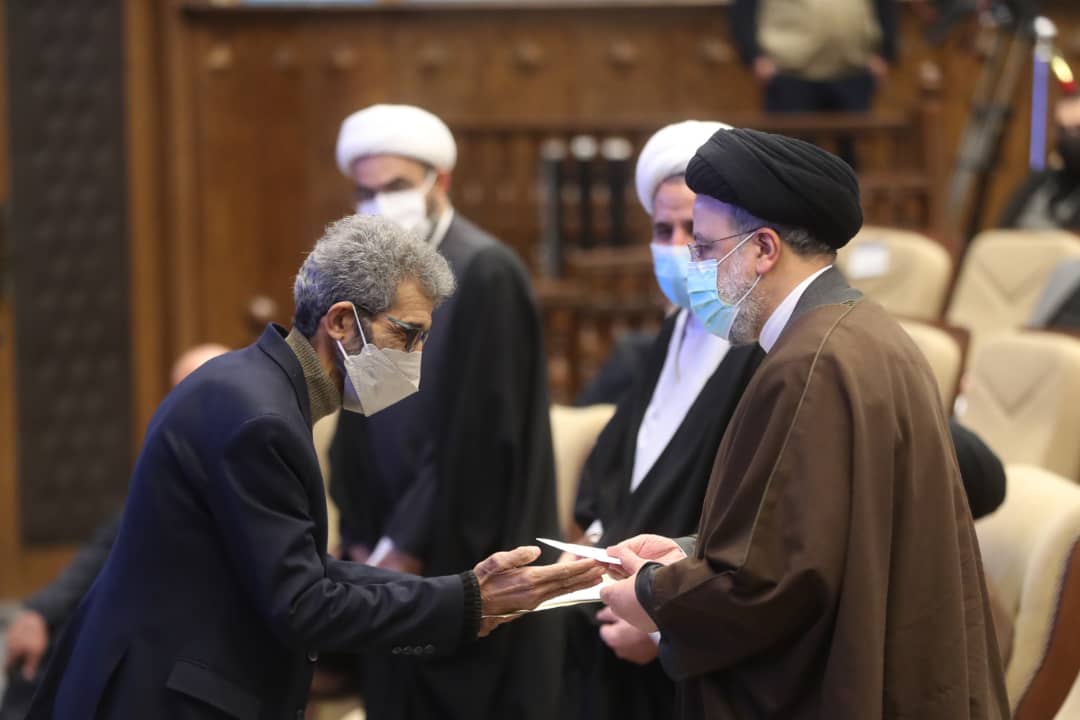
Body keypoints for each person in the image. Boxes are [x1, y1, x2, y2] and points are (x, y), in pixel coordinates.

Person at [24, 215, 603, 719]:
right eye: (408, 335)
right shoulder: (259, 418)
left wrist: (460, 593)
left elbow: (302, 567)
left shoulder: (257, 389)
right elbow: (302, 603)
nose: (417, 358)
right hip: (162, 698)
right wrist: (465, 603)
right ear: (342, 322)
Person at [600, 128, 1009, 718]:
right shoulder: (861, 330)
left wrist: (650, 593)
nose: (695, 267)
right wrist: (689, 553)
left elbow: (772, 583)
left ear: (764, 249)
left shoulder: (808, 365)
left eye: (705, 248)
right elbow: (812, 533)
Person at [330, 105, 563, 719]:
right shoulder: (365, 273)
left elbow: (480, 439)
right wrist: (363, 540)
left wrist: (407, 545)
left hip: (456, 554)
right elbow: (357, 416)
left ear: (441, 182)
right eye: (365, 192)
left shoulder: (485, 271)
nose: (380, 203)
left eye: (396, 185)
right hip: (386, 560)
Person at [562, 121, 764, 720]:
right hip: (621, 613)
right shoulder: (674, 327)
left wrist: (661, 627)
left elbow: (750, 523)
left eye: (693, 233)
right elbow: (617, 467)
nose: (676, 247)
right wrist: (592, 548)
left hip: (693, 644)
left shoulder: (761, 345)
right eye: (662, 229)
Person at [0, 344, 229, 720]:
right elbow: (105, 547)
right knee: (48, 661)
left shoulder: (251, 465)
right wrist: (40, 613)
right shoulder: (172, 464)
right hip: (145, 631)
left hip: (204, 651)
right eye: (178, 395)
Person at [732, 0, 897, 166]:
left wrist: (886, 54)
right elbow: (744, 8)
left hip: (854, 67)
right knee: (792, 160)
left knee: (854, 157)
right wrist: (753, 56)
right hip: (788, 71)